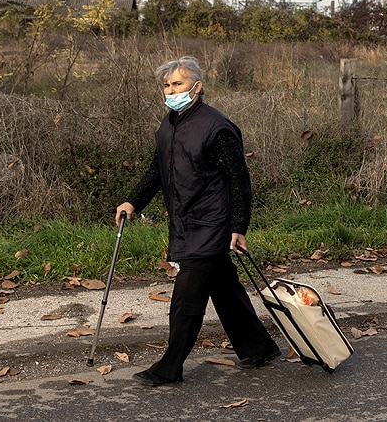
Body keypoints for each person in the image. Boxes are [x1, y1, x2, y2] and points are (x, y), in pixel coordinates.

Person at [115, 56, 280, 386]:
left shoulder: (216, 128)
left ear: (197, 87)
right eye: (167, 85)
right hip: (186, 220)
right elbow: (155, 171)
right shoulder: (169, 125)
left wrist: (238, 226)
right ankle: (259, 348)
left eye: (178, 84)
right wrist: (133, 201)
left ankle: (170, 366)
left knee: (186, 299)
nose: (171, 90)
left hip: (211, 223)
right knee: (224, 287)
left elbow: (238, 180)